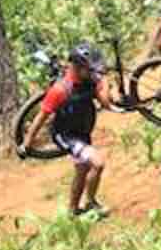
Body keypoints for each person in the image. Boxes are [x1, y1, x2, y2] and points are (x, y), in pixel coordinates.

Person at [31, 42, 118, 219]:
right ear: (77, 68)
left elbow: (106, 103)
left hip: (82, 132)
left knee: (82, 169)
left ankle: (72, 211)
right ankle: (91, 203)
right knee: (98, 163)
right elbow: (41, 117)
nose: (92, 72)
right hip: (66, 135)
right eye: (89, 69)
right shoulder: (60, 90)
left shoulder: (90, 81)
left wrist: (104, 83)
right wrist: (26, 144)